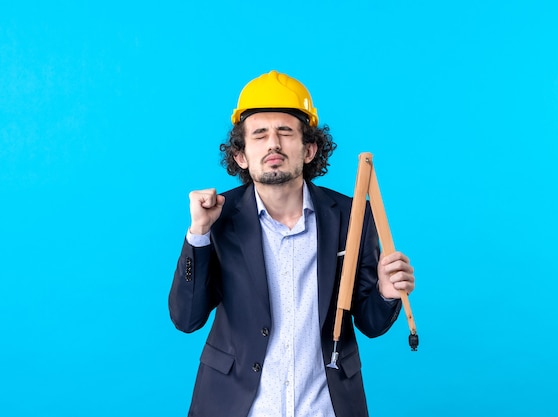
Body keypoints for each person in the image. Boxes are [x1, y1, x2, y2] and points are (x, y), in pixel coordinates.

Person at [169, 70, 415, 417]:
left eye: (285, 132)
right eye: (259, 135)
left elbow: (370, 324)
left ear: (310, 149)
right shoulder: (217, 217)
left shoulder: (352, 215)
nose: (273, 144)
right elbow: (186, 318)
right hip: (236, 406)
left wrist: (387, 292)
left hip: (325, 407)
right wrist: (199, 235)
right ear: (241, 155)